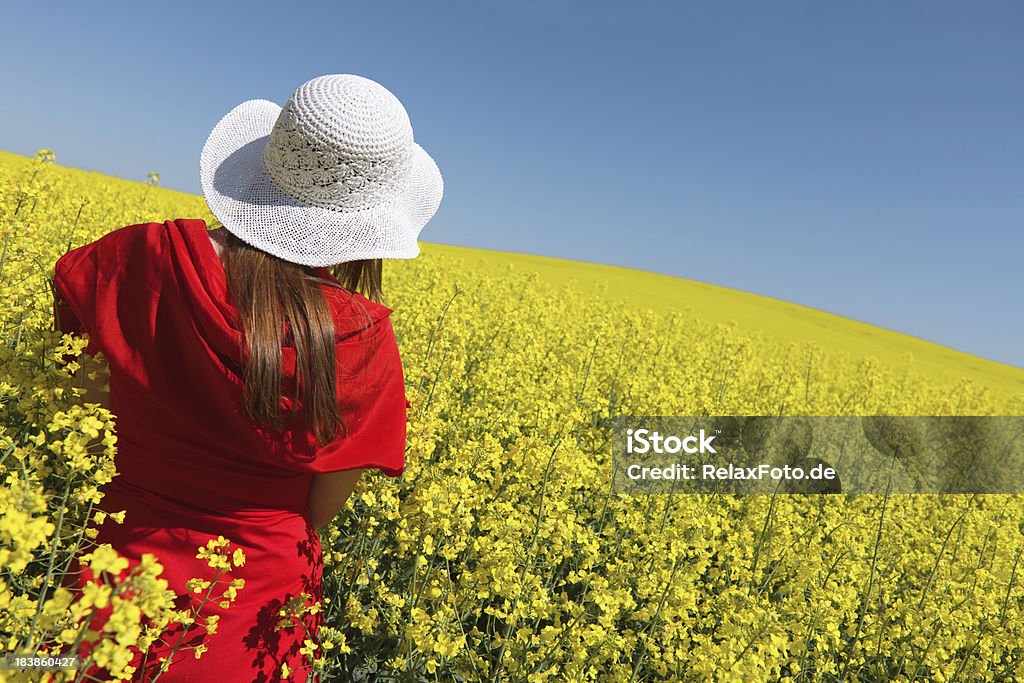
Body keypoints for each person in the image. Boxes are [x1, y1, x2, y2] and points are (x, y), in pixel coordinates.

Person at [51, 73, 443, 681]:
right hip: (248, 613)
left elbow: (82, 385)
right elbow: (321, 506)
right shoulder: (359, 333)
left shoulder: (139, 257)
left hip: (110, 576)